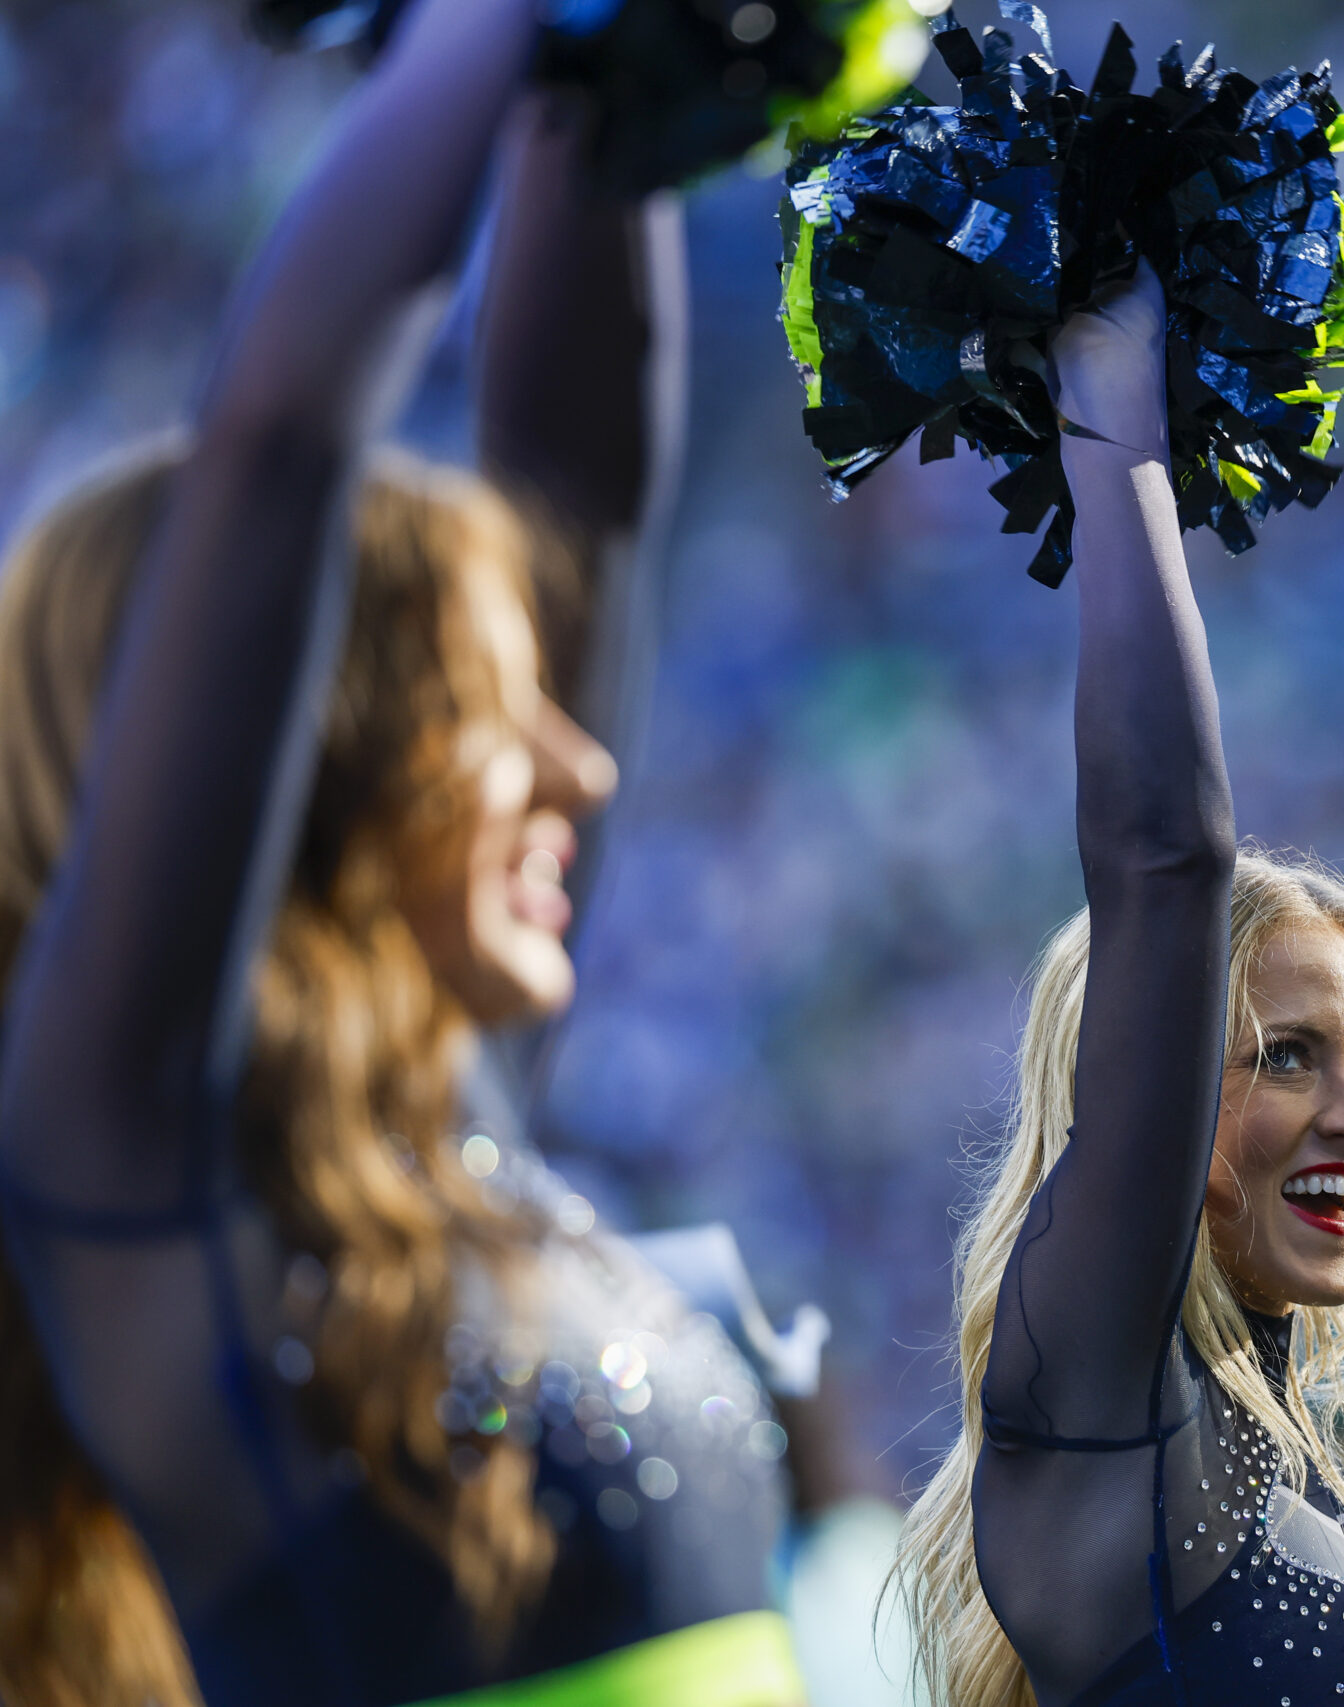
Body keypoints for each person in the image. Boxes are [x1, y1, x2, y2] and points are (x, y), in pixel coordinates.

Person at [0, 0, 804, 1699]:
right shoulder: (140, 1171)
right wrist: (502, 19)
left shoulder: (450, 1124)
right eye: (500, 707)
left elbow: (581, 487)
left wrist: (626, 74)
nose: (585, 764)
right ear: (309, 751)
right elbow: (279, 458)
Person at [889, 264, 1344, 1707]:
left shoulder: (1280, 1459)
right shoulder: (1102, 1394)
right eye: (1286, 1054)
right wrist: (1113, 425)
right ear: (1158, 1076)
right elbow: (1164, 860)